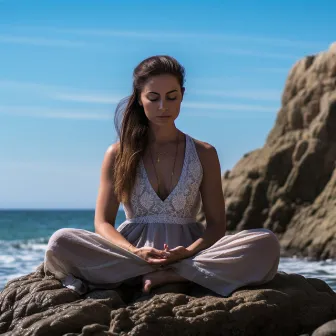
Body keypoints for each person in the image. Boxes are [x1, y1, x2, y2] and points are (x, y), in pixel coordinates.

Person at [44, 55, 280, 297]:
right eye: (153, 98)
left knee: (266, 242)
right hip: (131, 253)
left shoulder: (204, 153)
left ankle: (172, 273)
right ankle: (164, 273)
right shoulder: (118, 153)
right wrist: (135, 252)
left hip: (191, 252)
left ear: (182, 95)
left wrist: (187, 252)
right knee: (60, 241)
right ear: (139, 98)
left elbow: (217, 225)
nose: (162, 107)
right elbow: (103, 222)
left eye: (171, 97)